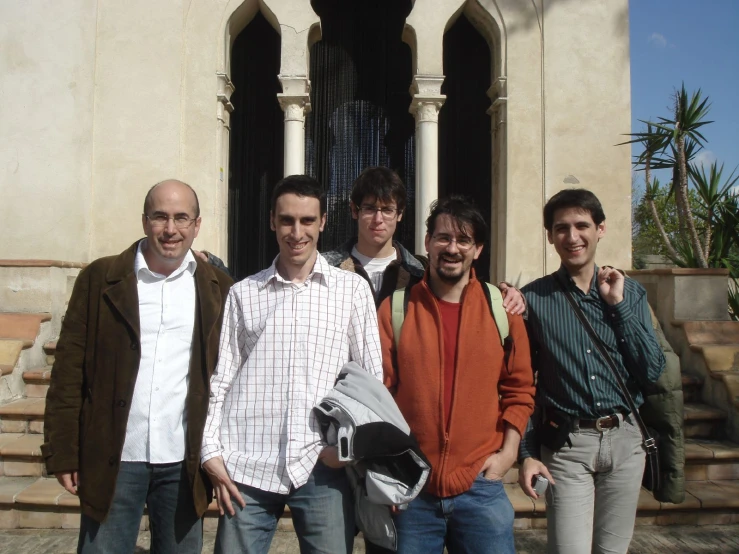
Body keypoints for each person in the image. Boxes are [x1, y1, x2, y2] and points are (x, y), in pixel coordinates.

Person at [42, 179, 234, 553]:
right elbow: (68, 372)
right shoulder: (99, 279)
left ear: (197, 225)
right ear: (145, 221)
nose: (170, 229)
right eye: (160, 217)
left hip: (182, 461)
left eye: (182, 218)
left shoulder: (219, 289)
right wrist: (63, 451)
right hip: (115, 455)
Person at [200, 175, 384, 554]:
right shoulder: (244, 293)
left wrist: (345, 452)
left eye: (306, 221)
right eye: (287, 220)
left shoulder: (351, 291)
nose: (296, 232)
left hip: (320, 463)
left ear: (323, 222)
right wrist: (210, 451)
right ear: (272, 221)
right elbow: (223, 378)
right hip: (247, 462)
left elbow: (370, 383)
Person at [377, 195, 536, 554]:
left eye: (464, 240)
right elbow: (380, 396)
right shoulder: (395, 309)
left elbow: (520, 389)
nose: (452, 248)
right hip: (413, 490)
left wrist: (509, 453)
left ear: (477, 249)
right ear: (427, 243)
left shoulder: (502, 310)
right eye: (444, 237)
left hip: (481, 487)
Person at [517, 188, 665, 554]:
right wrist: (526, 452)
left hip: (627, 440)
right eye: (561, 228)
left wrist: (617, 308)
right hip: (568, 445)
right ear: (550, 236)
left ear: (600, 229)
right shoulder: (534, 299)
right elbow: (523, 384)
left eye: (581, 225)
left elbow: (652, 371)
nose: (572, 237)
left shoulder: (629, 293)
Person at [324, 166, 525, 314]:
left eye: (387, 210)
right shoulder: (323, 269)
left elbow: (464, 290)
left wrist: (509, 295)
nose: (378, 219)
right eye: (369, 209)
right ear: (354, 210)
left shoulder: (421, 273)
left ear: (400, 214)